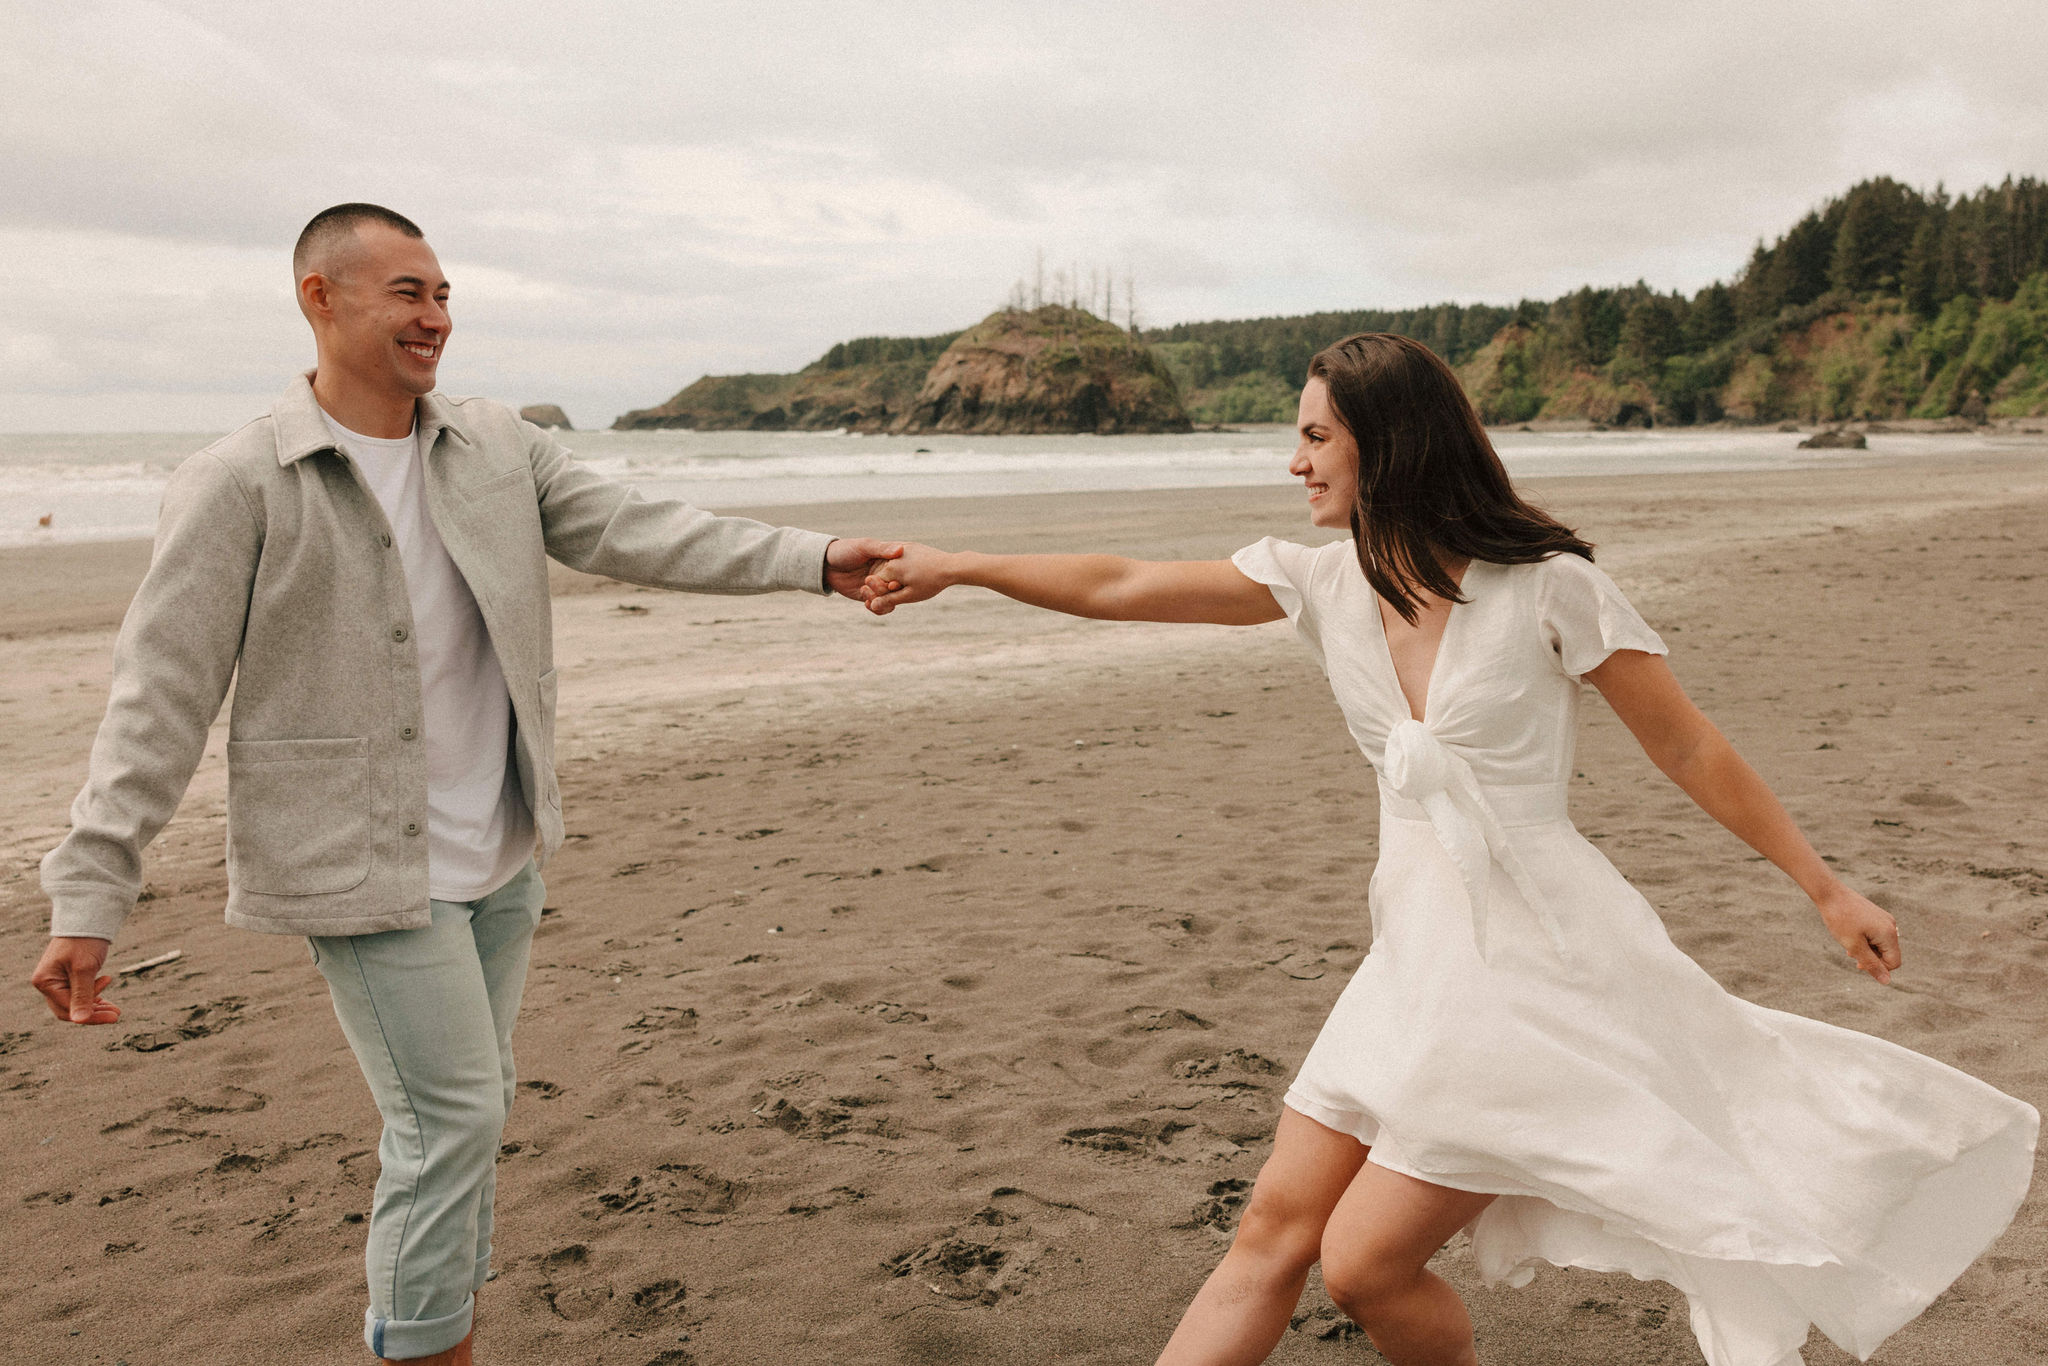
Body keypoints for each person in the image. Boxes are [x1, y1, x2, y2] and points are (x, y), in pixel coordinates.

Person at [860, 332, 2039, 1366]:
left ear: (1389, 442)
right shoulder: (1323, 583)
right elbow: (1117, 581)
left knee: (1364, 1266)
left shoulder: (1548, 590)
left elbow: (1689, 751)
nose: (1294, 461)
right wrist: (959, 567)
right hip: (1414, 958)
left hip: (1535, 964)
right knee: (1272, 1229)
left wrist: (1823, 888)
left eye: (1316, 436)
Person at [30, 203, 902, 1365]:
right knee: (448, 1122)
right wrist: (92, 894)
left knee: (467, 1119)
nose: (434, 316)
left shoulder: (498, 445)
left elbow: (639, 529)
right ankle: (424, 1341)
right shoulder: (240, 479)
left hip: (499, 850)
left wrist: (811, 560)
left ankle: (449, 1327)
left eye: (442, 295)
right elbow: (158, 697)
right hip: (360, 865)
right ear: (319, 297)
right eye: (405, 292)